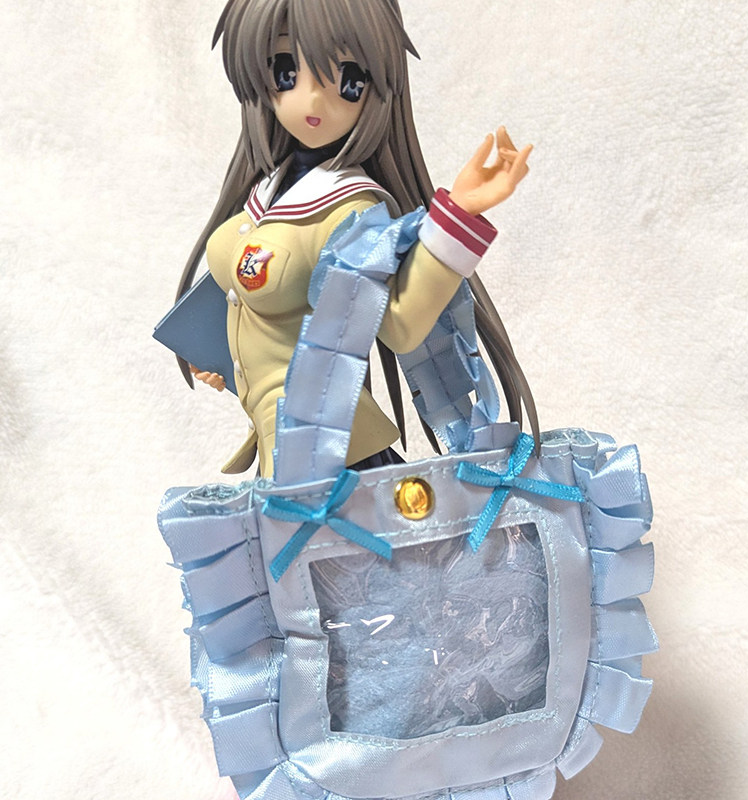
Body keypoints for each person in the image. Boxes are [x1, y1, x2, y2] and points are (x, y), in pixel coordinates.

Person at [177, 0, 534, 478]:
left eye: (348, 80)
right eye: (286, 71)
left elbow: (400, 324)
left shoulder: (348, 210)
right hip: (284, 447)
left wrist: (457, 218)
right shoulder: (269, 189)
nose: (312, 101)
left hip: (328, 455)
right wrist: (222, 355)